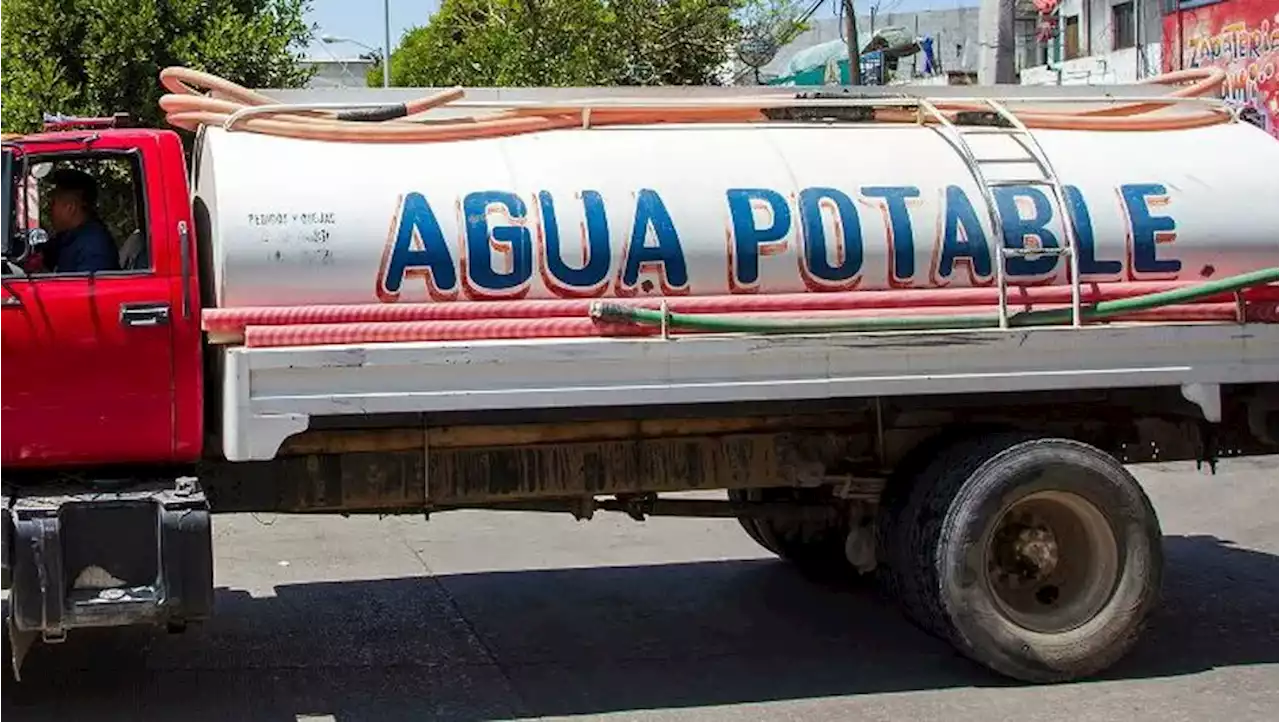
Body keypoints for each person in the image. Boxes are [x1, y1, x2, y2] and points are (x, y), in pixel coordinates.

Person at [44, 168, 118, 274]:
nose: (49, 209)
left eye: (53, 203)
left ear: (70, 207)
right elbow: (45, 253)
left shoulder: (93, 247)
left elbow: (88, 289)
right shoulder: (70, 237)